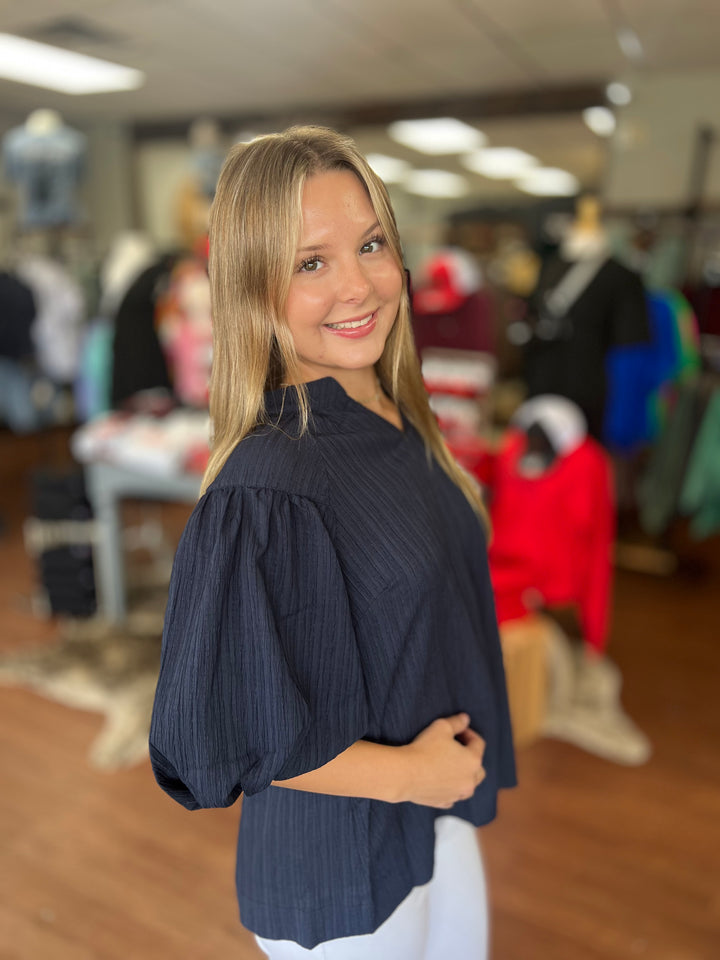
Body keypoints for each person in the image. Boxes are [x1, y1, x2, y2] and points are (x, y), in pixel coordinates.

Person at [149, 126, 516, 959]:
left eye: (371, 244)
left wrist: (435, 780)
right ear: (253, 288)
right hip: (340, 863)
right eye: (311, 262)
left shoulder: (394, 413)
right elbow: (226, 730)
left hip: (435, 814)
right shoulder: (269, 481)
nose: (360, 285)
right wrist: (415, 776)